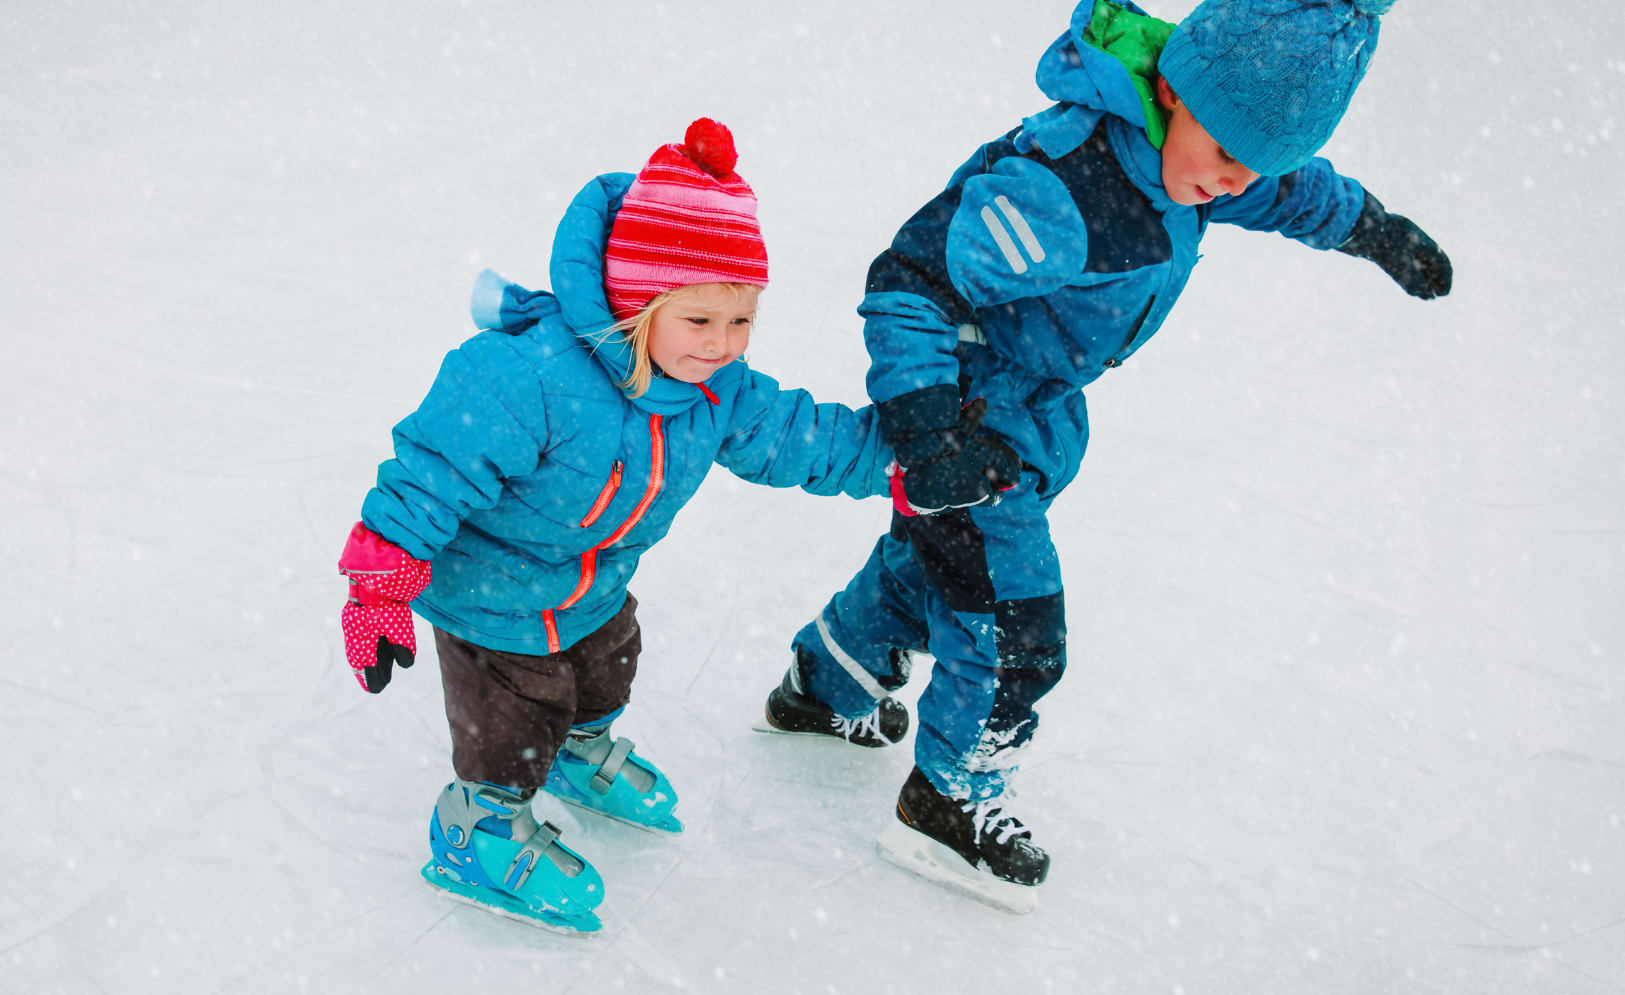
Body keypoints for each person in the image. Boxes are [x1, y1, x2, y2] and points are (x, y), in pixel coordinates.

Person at [758, 0, 1452, 912]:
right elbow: (911, 280)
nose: (1233, 182)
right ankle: (946, 802)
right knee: (1014, 626)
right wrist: (931, 430)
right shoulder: (1067, 184)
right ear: (1171, 90)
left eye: (1253, 166)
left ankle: (826, 682)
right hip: (973, 419)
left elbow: (1291, 189)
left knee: (936, 568)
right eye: (1226, 158)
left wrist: (1375, 229)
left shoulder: (1205, 150)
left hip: (1028, 411)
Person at [335, 119, 1000, 933]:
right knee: (516, 711)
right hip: (493, 593)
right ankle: (476, 820)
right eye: (699, 321)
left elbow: (798, 437)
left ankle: (579, 752)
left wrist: (903, 464)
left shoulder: (715, 387)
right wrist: (380, 587)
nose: (721, 345)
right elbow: (429, 473)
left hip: (592, 580)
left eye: (740, 320)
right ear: (635, 302)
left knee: (607, 664)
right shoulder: (529, 375)